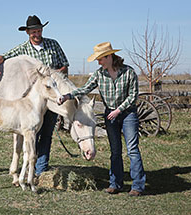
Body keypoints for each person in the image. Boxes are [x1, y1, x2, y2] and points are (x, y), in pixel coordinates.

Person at [58, 42, 146, 196]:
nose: (98, 62)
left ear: (109, 56)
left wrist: (119, 110)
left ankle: (137, 186)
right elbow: (84, 89)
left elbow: (133, 96)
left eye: (100, 59)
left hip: (127, 115)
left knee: (132, 150)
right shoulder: (99, 74)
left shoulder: (128, 72)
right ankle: (115, 184)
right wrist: (67, 96)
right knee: (115, 150)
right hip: (111, 115)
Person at [0, 15, 69, 177]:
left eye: (39, 30)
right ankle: (29, 167)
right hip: (33, 102)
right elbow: (5, 56)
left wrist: (53, 76)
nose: (37, 34)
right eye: (33, 32)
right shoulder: (23, 49)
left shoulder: (54, 45)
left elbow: (65, 66)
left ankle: (41, 169)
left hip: (52, 97)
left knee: (47, 133)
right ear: (27, 33)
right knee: (33, 133)